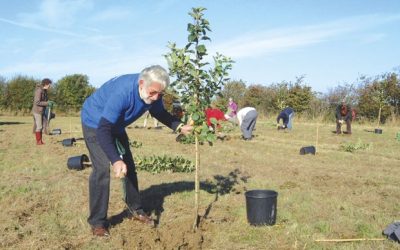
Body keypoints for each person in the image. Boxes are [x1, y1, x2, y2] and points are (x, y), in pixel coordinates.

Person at [80, 65, 192, 237]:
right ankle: (98, 222)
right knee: (102, 169)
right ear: (141, 83)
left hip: (116, 124)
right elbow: (104, 130)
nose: (155, 97)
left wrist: (178, 126)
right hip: (95, 123)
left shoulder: (154, 91)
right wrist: (115, 159)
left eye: (160, 94)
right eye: (152, 93)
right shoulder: (123, 93)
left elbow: (159, 112)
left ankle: (136, 210)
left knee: (129, 165)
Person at [32, 78, 54, 145]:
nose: (50, 86)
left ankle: (40, 141)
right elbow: (37, 102)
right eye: (49, 85)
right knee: (39, 127)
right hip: (37, 111)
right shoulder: (39, 91)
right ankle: (38, 141)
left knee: (40, 126)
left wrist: (49, 102)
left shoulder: (44, 91)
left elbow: (45, 101)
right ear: (46, 84)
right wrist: (47, 103)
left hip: (42, 111)